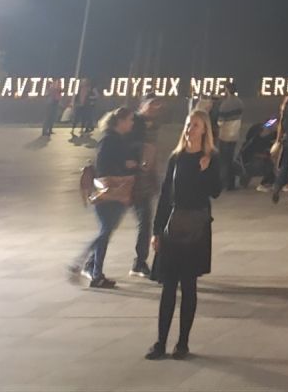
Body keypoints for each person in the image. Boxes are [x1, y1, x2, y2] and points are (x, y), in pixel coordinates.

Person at [145, 110, 222, 361]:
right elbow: (166, 196)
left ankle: (182, 343)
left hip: (196, 228)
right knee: (168, 286)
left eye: (196, 125)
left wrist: (206, 170)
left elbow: (216, 191)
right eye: (188, 124)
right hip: (173, 225)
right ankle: (160, 342)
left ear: (205, 130)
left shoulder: (210, 158)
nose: (190, 129)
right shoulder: (176, 157)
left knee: (188, 285)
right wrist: (157, 231)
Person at [70, 106, 139, 288]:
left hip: (112, 192)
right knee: (105, 233)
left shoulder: (115, 138)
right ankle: (90, 269)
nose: (132, 123)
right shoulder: (110, 140)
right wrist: (126, 165)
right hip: (110, 192)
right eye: (130, 120)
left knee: (106, 232)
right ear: (120, 121)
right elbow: (104, 166)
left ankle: (91, 266)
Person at [129, 97, 166, 277]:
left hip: (143, 180)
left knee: (145, 221)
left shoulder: (152, 125)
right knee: (109, 225)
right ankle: (91, 261)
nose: (154, 108)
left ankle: (140, 262)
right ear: (141, 105)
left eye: (156, 105)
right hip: (128, 180)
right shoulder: (134, 123)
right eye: (151, 104)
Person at [215, 87, 244, 191]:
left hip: (224, 135)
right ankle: (231, 184)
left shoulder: (225, 105)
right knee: (231, 159)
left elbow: (220, 122)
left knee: (224, 161)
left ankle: (223, 183)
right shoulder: (240, 102)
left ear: (227, 90)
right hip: (235, 135)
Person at [70, 78, 98, 142]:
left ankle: (82, 129)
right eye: (82, 82)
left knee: (84, 118)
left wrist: (91, 98)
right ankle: (73, 129)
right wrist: (74, 103)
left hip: (86, 106)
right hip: (79, 106)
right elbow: (76, 97)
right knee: (76, 118)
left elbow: (96, 96)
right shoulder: (79, 89)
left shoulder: (90, 89)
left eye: (84, 82)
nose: (83, 83)